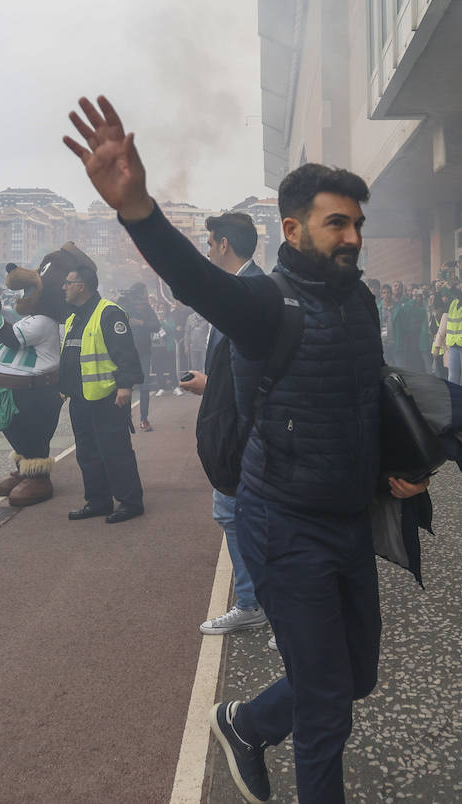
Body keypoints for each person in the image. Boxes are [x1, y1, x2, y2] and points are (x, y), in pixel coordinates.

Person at [63, 95, 429, 804]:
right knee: (327, 701)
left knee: (356, 675)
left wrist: (397, 466)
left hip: (348, 516)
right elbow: (195, 281)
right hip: (285, 523)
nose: (352, 235)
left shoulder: (361, 302)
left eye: (357, 221)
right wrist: (137, 207)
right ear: (292, 230)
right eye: (336, 223)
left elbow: (361, 395)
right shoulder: (265, 304)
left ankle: (246, 723)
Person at [178, 211, 271, 636]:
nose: (207, 250)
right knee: (235, 513)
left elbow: (258, 368)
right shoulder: (247, 288)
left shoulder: (248, 292)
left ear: (224, 245)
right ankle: (261, 603)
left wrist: (212, 385)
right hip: (239, 422)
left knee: (240, 513)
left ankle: (260, 605)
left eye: (209, 242)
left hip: (246, 427)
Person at [0, 257, 69, 508]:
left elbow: (11, 338)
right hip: (10, 388)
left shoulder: (44, 322)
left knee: (32, 433)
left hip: (33, 392)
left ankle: (38, 476)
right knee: (16, 432)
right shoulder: (31, 318)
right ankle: (24, 469)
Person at [60, 253, 146, 525]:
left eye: (68, 282)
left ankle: (131, 502)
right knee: (87, 453)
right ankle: (98, 500)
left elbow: (125, 353)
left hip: (107, 397)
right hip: (81, 399)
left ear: (81, 286)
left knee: (115, 451)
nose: (64, 287)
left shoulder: (109, 313)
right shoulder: (74, 318)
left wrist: (125, 386)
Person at [123, 282, 159, 431]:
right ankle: (126, 418)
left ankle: (144, 419)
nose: (145, 294)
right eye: (144, 291)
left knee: (144, 386)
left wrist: (140, 322)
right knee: (127, 386)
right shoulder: (124, 305)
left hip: (144, 352)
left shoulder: (145, 307)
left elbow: (156, 325)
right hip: (128, 352)